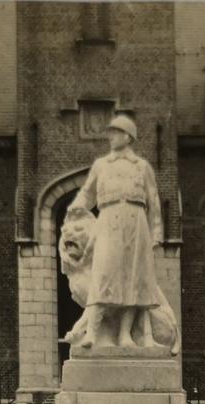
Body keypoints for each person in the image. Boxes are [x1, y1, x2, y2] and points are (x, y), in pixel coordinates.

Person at [67, 115, 163, 348]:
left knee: (133, 278)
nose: (110, 137)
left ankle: (125, 335)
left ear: (127, 136)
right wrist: (76, 206)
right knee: (103, 272)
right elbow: (87, 193)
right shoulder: (101, 165)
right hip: (108, 220)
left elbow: (154, 200)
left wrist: (157, 232)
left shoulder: (142, 167)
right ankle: (92, 332)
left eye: (115, 133)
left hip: (136, 222)